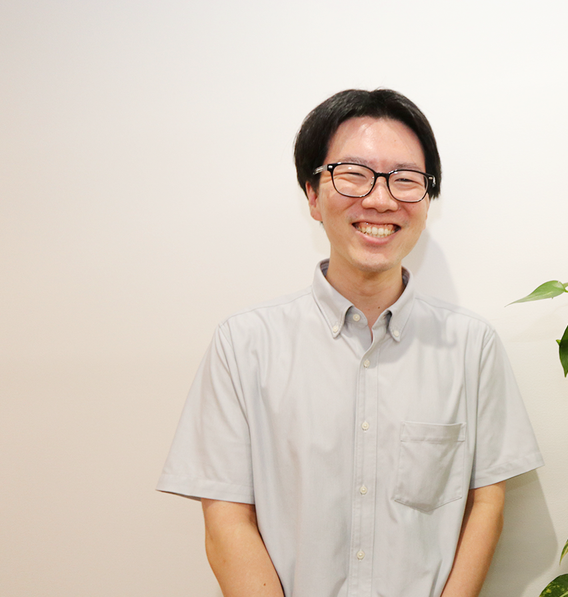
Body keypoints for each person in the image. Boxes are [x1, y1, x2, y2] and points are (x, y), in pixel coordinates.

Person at [157, 88, 543, 597]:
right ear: (313, 195)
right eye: (354, 174)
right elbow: (227, 516)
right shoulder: (244, 344)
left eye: (405, 179)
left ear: (427, 200)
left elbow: (486, 504)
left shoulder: (472, 347)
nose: (381, 199)